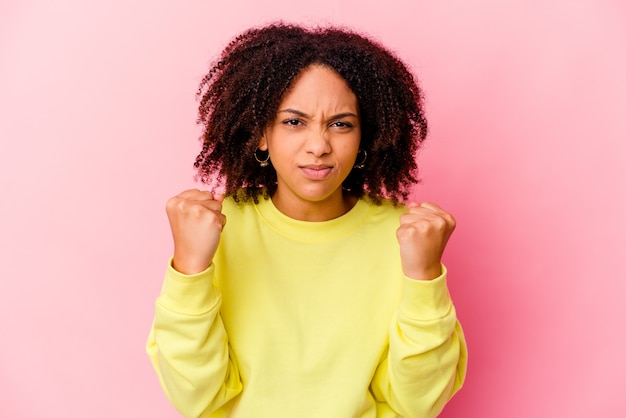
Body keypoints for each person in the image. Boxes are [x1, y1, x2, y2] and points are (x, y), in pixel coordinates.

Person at [146, 22, 467, 418]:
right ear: (261, 134)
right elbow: (196, 397)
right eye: (294, 122)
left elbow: (417, 404)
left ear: (365, 136)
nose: (319, 146)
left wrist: (424, 277)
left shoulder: (408, 236)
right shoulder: (211, 228)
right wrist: (189, 268)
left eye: (341, 124)